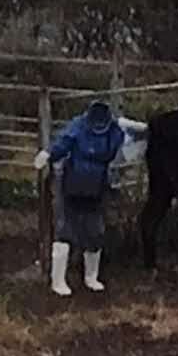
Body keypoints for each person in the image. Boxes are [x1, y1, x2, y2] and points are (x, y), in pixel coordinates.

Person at [38, 97, 128, 299]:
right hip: (72, 184)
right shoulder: (78, 126)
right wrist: (49, 154)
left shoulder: (114, 130)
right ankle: (58, 281)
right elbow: (64, 142)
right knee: (65, 230)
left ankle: (91, 277)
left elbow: (122, 145)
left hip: (97, 186)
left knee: (95, 231)